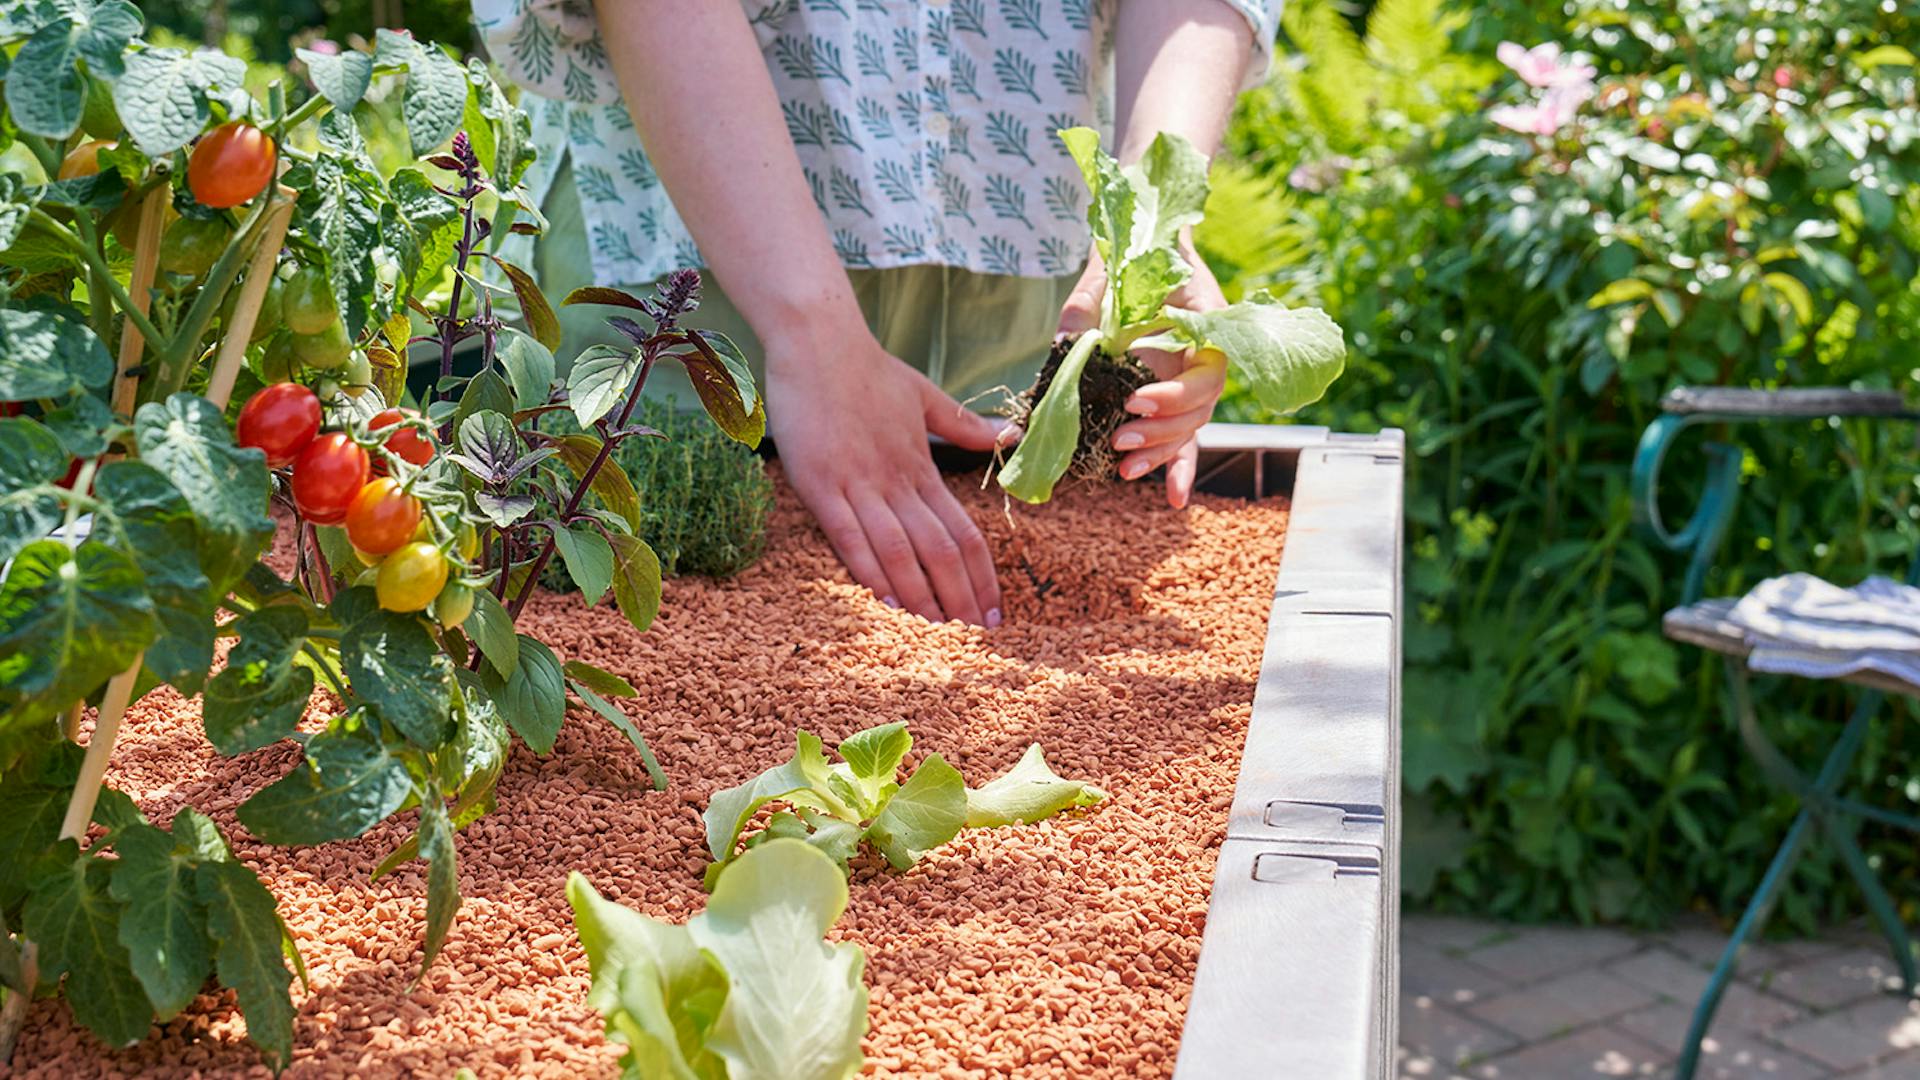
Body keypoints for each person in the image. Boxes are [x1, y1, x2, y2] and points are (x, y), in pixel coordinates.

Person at [472, 0, 1281, 627]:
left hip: (1027, 287)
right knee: (620, 574)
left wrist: (1148, 224)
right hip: (694, 272)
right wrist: (810, 327)